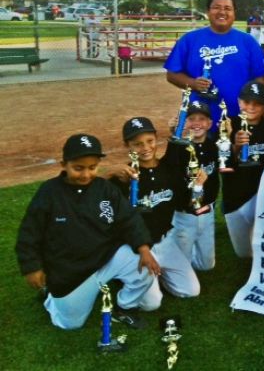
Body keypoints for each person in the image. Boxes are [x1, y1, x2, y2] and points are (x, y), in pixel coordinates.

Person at [15, 134, 161, 330]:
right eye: (78, 168)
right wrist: (32, 267)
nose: (86, 174)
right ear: (63, 164)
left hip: (106, 256)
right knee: (69, 324)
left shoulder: (105, 188)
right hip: (71, 270)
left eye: (92, 168)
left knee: (144, 267)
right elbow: (29, 232)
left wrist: (144, 249)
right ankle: (50, 297)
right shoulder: (49, 192)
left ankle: (125, 307)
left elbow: (129, 218)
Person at [108, 117, 200, 299]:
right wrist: (108, 174)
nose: (145, 148)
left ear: (156, 138)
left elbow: (186, 203)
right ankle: (124, 274)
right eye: (137, 144)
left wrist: (198, 186)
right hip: (134, 247)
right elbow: (93, 196)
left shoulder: (169, 170)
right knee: (152, 303)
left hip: (165, 242)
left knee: (190, 291)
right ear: (128, 146)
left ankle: (153, 278)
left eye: (149, 141)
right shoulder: (124, 176)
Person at [165, 0, 264, 126]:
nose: (222, 12)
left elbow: (259, 78)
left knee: (239, 147)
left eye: (227, 8)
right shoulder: (189, 40)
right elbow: (172, 74)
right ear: (208, 11)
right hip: (201, 120)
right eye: (216, 8)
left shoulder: (247, 41)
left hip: (242, 117)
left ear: (234, 13)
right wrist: (193, 83)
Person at [223, 81, 264, 258]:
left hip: (262, 197)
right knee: (244, 254)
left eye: (257, 103)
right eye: (247, 102)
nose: (251, 107)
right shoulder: (228, 126)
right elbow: (223, 168)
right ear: (239, 102)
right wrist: (235, 147)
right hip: (235, 200)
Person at [161, 101, 219, 271]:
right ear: (183, 123)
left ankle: (189, 248)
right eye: (191, 118)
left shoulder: (214, 146)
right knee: (182, 265)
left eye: (202, 119)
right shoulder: (178, 148)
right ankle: (170, 243)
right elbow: (166, 166)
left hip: (207, 212)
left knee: (206, 266)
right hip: (184, 214)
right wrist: (174, 135)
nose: (196, 123)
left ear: (209, 124)